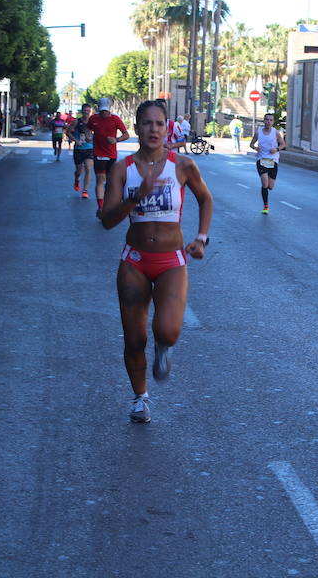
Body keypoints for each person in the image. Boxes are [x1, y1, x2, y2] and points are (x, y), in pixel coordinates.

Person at [101, 100, 214, 423]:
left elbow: (205, 199)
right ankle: (140, 398)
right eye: (147, 123)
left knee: (168, 330)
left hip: (172, 260)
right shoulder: (122, 169)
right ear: (136, 127)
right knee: (134, 338)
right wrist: (136, 197)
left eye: (159, 124)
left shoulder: (182, 165)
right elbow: (108, 220)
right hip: (134, 260)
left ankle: (164, 348)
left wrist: (201, 238)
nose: (153, 129)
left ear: (168, 128)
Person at [87, 97, 130, 218]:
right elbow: (88, 129)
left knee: (110, 182)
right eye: (101, 111)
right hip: (98, 154)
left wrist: (116, 140)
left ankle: (108, 202)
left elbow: (126, 134)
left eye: (105, 111)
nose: (103, 113)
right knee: (100, 179)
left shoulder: (115, 119)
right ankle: (100, 207)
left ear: (109, 109)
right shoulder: (93, 118)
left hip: (111, 155)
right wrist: (88, 135)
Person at [249, 112, 287, 214]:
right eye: (267, 120)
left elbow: (283, 144)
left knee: (270, 186)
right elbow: (251, 144)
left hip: (273, 160)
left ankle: (266, 200)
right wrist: (255, 148)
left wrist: (276, 149)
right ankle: (266, 206)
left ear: (273, 122)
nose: (269, 122)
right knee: (265, 183)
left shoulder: (275, 133)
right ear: (264, 121)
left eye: (271, 120)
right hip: (261, 160)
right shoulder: (258, 132)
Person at [67, 103, 94, 198]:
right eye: (85, 110)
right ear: (82, 111)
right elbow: (68, 132)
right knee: (79, 171)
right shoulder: (76, 122)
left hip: (90, 148)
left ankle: (85, 190)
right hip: (79, 149)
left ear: (90, 111)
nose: (86, 112)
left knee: (88, 168)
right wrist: (76, 141)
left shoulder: (93, 122)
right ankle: (77, 179)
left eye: (88, 111)